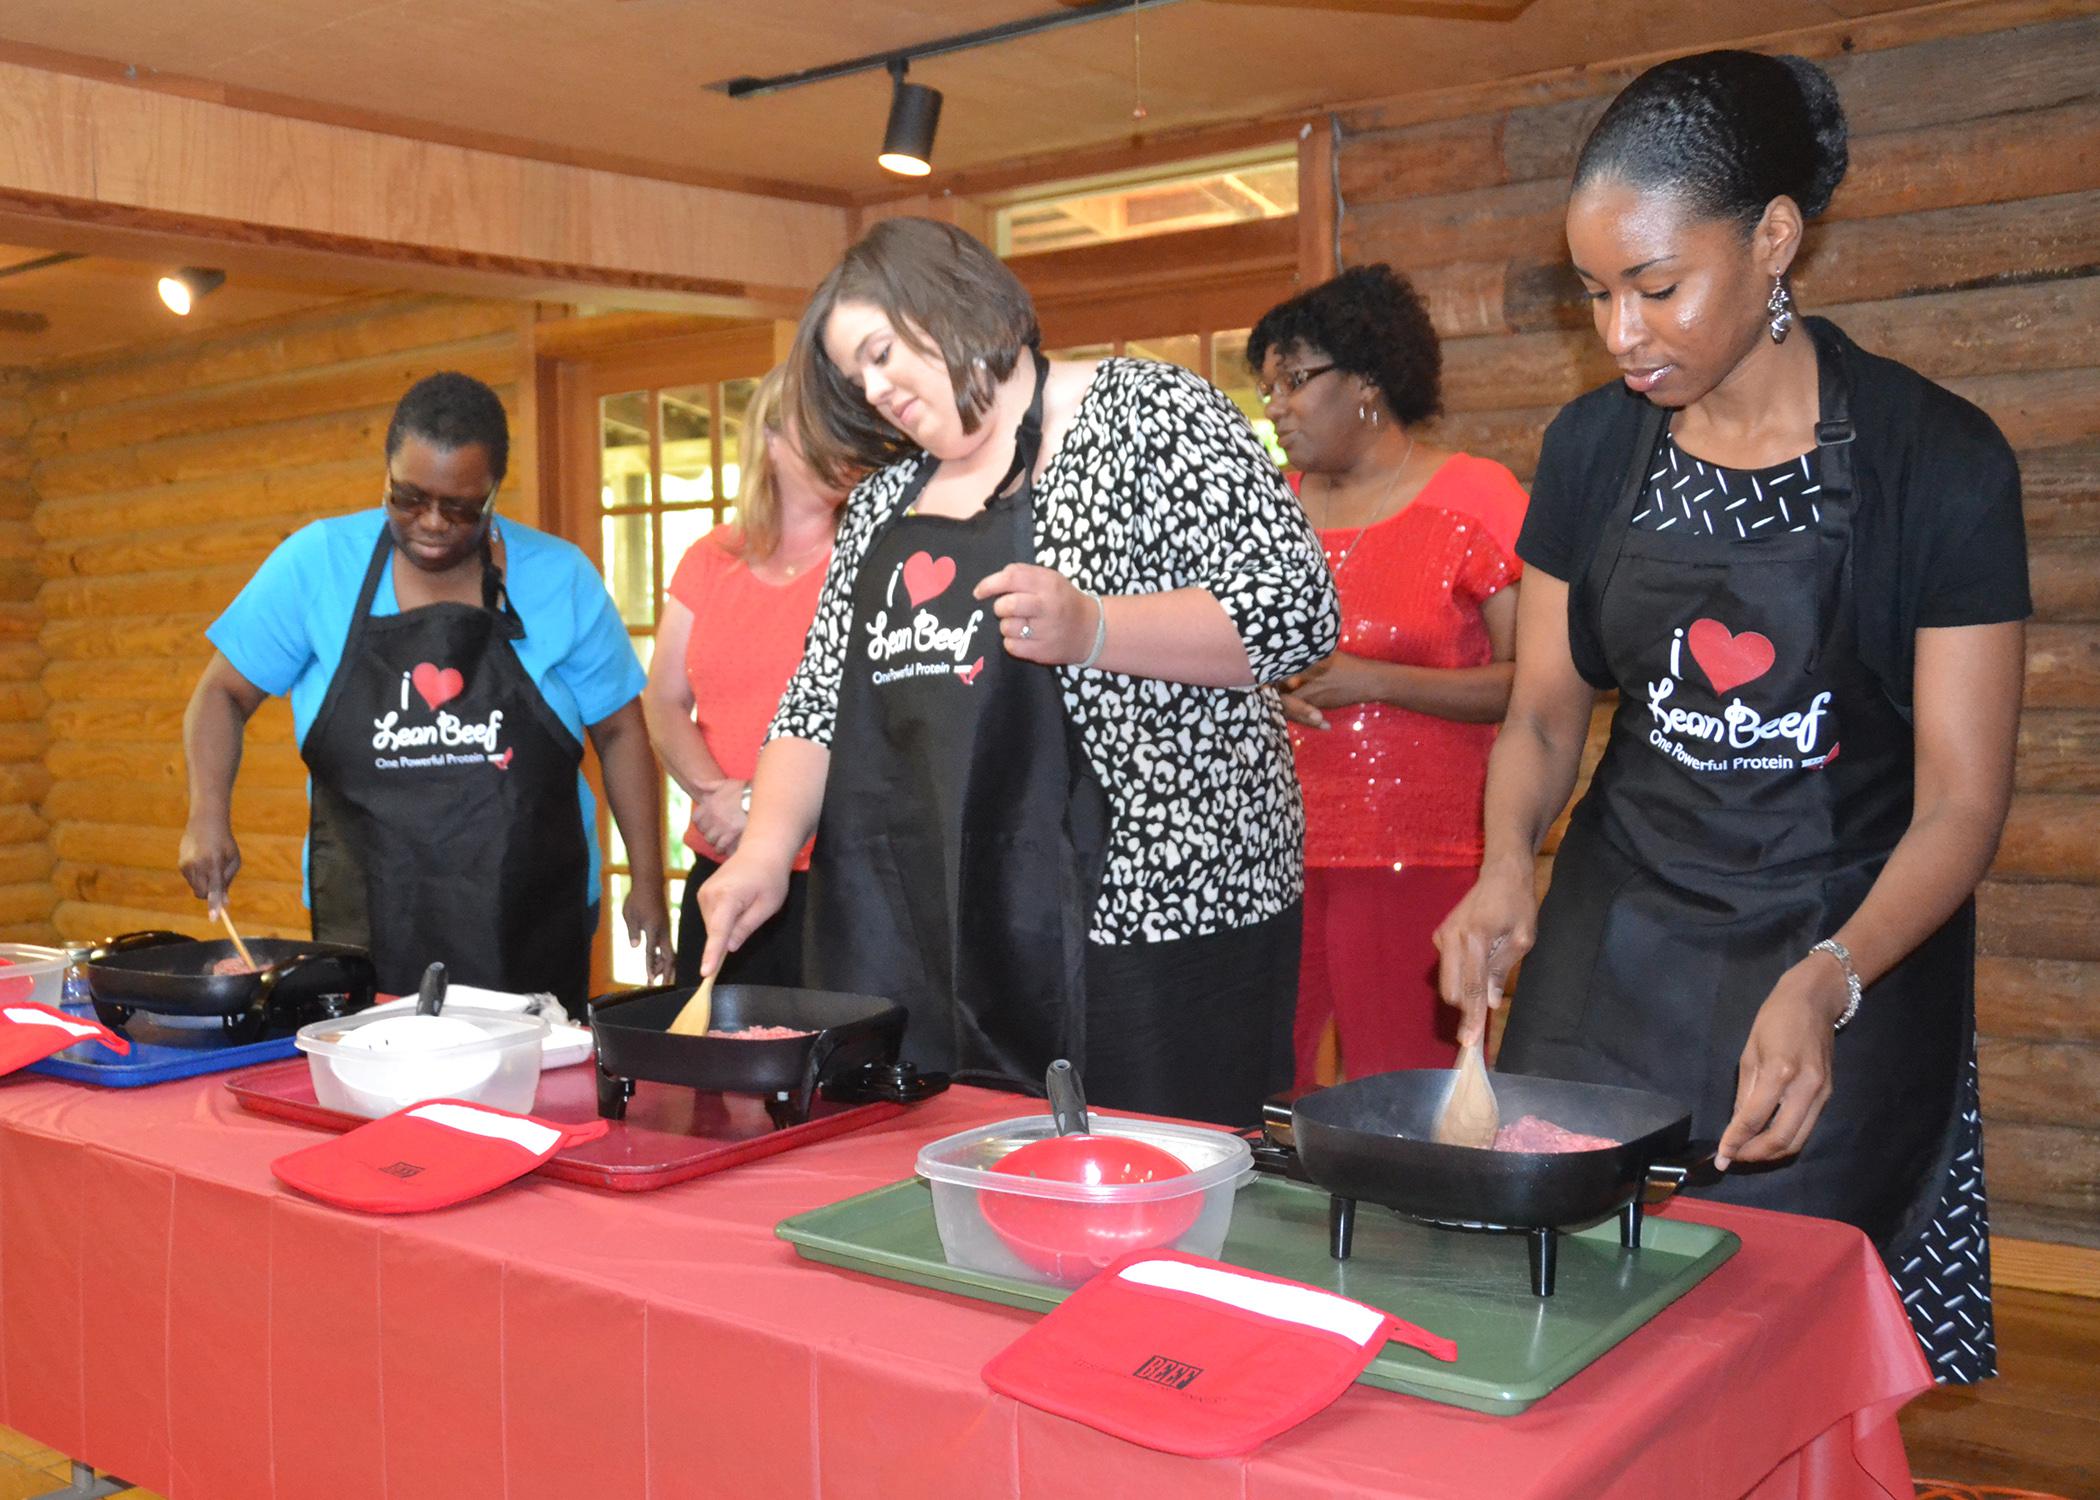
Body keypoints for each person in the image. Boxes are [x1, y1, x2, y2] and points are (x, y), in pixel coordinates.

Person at [1434, 52, 2026, 1383]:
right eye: (1595, 294)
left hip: (1841, 947)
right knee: (1569, 1320)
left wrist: (1833, 980)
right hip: (1616, 949)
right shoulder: (1592, 451)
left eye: (1655, 287)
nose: (1622, 335)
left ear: (1773, 239)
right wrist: (1502, 867)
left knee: (1776, 1350)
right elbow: (1542, 713)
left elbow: (1961, 799)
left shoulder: (1941, 463)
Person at [699, 217, 1339, 1126]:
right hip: (950, 924)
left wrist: (1096, 628)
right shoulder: (885, 502)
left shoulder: (1150, 415)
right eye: (858, 379)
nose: (877, 390)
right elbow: (817, 702)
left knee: (1152, 1183)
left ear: (949, 302)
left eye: (881, 353)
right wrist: (764, 853)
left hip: (1157, 910)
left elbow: (1295, 608)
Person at [181, 371, 672, 1012]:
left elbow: (620, 729)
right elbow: (221, 694)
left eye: (461, 506)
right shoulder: (317, 565)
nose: (432, 523)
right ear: (385, 473)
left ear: (495, 491)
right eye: (407, 498)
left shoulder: (560, 577)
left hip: (528, 916)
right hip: (370, 916)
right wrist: (207, 816)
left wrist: (648, 881)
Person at [1247, 266, 1526, 1086]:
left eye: (1296, 381)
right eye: (1266, 388)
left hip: (1421, 851)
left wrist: (1375, 680)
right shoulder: (1269, 509)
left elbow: (1531, 684)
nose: (1276, 407)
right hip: (1270, 856)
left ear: (1368, 379)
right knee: (1259, 1084)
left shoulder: (1475, 497)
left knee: (1407, 1091)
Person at [643, 366, 847, 986]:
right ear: (772, 439)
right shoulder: (712, 558)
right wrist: (718, 799)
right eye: (824, 430)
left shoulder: (868, 561)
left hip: (835, 881)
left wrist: (759, 809)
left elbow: (876, 724)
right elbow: (662, 700)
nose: (845, 447)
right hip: (723, 869)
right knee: (703, 1067)